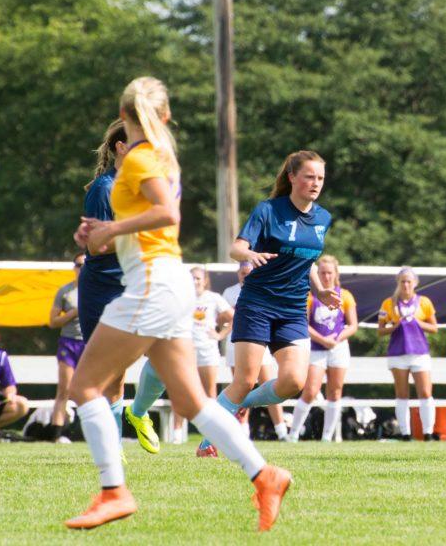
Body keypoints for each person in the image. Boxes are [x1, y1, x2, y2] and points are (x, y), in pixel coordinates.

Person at [67, 76, 288, 530]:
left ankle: (113, 491)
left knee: (85, 388)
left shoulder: (142, 158)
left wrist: (109, 231)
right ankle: (265, 475)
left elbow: (169, 214)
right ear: (165, 115)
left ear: (124, 118)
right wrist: (103, 237)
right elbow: (155, 221)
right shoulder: (163, 157)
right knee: (191, 402)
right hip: (168, 282)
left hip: (152, 284)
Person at [198, 150, 340, 457]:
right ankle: (208, 440)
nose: (315, 183)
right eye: (309, 177)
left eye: (320, 178)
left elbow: (307, 260)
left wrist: (320, 291)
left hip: (292, 310)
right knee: (245, 380)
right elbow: (236, 247)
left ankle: (234, 405)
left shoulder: (323, 218)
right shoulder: (268, 210)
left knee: (292, 382)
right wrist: (248, 254)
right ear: (292, 178)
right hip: (258, 304)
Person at [75, 118, 163, 455]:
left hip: (140, 283)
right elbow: (97, 245)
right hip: (104, 287)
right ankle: (113, 449)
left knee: (167, 351)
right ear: (120, 148)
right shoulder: (104, 188)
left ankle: (137, 413)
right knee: (112, 375)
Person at [290, 255, 358, 442]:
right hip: (317, 348)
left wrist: (336, 339)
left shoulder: (345, 296)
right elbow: (304, 323)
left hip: (338, 348)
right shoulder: (311, 298)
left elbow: (352, 325)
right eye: (322, 273)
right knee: (310, 390)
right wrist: (322, 339)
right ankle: (293, 434)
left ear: (336, 274)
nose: (326, 276)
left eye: (329, 273)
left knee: (335, 391)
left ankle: (327, 437)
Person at [222, 263, 289, 442]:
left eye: (248, 273)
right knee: (242, 385)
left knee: (267, 383)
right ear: (238, 274)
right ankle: (243, 430)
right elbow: (223, 319)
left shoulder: (263, 287)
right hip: (236, 343)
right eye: (242, 273)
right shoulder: (230, 292)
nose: (245, 276)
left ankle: (281, 430)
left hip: (260, 341)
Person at [173, 266, 233, 443]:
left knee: (209, 392)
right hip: (185, 351)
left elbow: (232, 317)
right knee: (181, 390)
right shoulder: (182, 298)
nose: (195, 281)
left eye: (198, 278)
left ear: (205, 280)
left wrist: (220, 335)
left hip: (207, 351)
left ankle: (211, 434)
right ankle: (177, 434)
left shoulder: (213, 298)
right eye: (192, 278)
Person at [377, 268, 439, 441]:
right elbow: (380, 330)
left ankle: (428, 433)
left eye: (409, 281)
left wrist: (416, 321)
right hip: (398, 352)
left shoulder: (424, 302)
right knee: (402, 393)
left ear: (415, 283)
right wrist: (396, 325)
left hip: (419, 352)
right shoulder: (388, 303)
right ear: (398, 283)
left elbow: (434, 328)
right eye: (402, 281)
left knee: (426, 392)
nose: (405, 285)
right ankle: (405, 433)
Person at [46, 253, 86, 442]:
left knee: (91, 390)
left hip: (91, 342)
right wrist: (75, 312)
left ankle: (85, 433)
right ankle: (56, 435)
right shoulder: (66, 291)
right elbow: (53, 322)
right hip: (69, 342)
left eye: (86, 265)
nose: (82, 268)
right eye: (78, 265)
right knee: (65, 390)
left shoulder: (98, 290)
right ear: (73, 268)